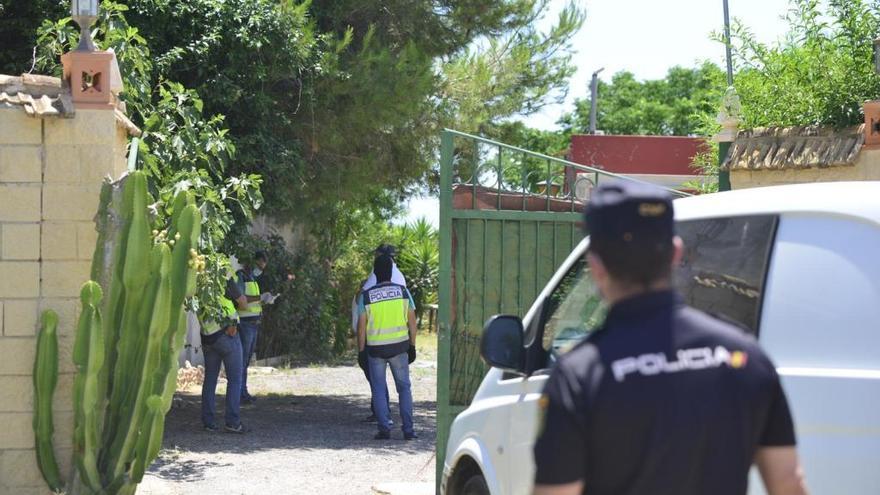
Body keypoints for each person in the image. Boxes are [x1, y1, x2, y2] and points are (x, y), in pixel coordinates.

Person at [533, 181, 808, 495]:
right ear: (676, 253)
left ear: (596, 266)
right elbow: (789, 482)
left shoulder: (579, 375)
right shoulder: (745, 356)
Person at [357, 254, 418, 440]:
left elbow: (361, 328)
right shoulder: (403, 292)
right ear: (392, 271)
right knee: (404, 388)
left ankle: (384, 429)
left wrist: (361, 351)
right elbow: (413, 322)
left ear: (374, 273)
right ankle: (408, 430)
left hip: (375, 350)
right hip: (399, 348)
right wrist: (412, 346)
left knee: (378, 388)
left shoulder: (366, 297)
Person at [200, 276, 248, 433]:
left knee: (210, 380)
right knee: (235, 379)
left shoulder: (198, 281)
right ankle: (232, 422)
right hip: (227, 334)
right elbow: (243, 303)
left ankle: (208, 423)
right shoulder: (223, 276)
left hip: (207, 336)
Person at [235, 250, 279, 405]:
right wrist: (261, 297)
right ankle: (239, 394)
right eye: (259, 265)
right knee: (241, 361)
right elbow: (240, 298)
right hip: (245, 324)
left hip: (253, 324)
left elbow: (252, 301)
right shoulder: (241, 276)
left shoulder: (253, 279)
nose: (260, 269)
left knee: (246, 361)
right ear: (253, 262)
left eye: (263, 267)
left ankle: (243, 392)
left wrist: (265, 300)